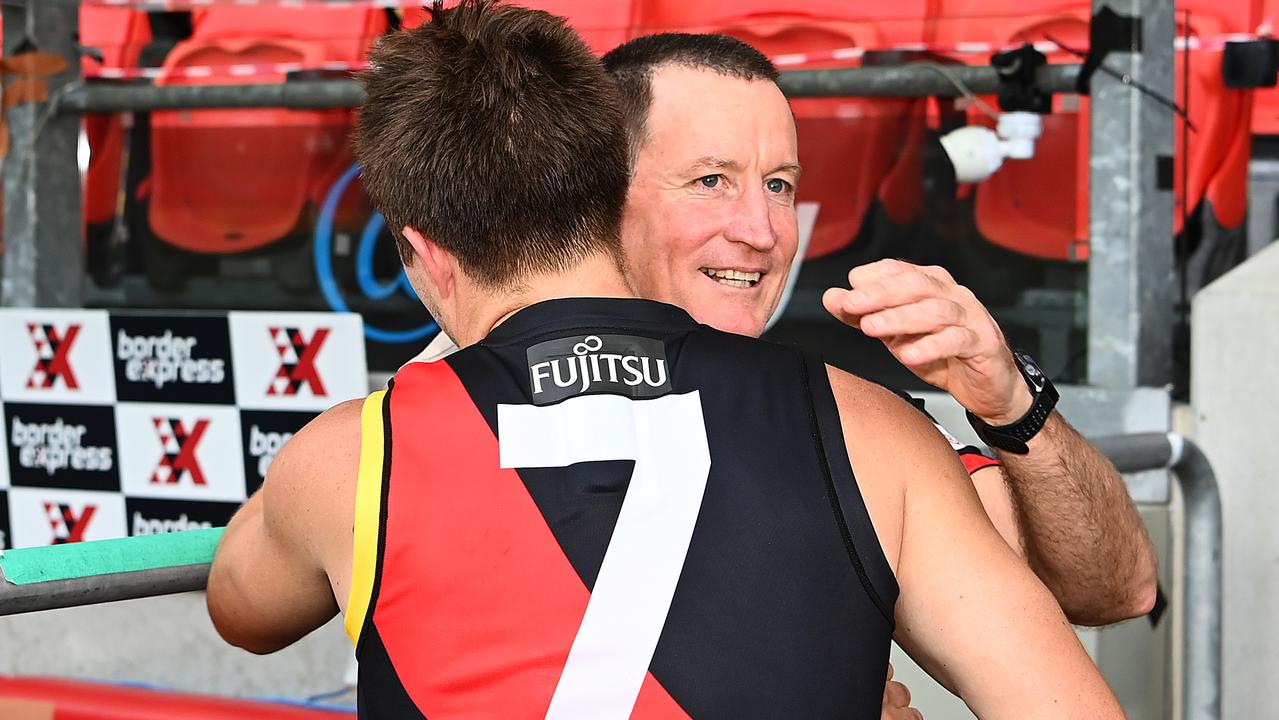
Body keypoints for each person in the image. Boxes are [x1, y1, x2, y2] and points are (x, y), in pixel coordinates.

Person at [208, 3, 1124, 717]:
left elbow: (1118, 587)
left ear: (428, 254)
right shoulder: (863, 427)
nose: (762, 230)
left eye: (780, 186)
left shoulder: (364, 448)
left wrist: (1012, 403)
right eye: (709, 180)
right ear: (604, 191)